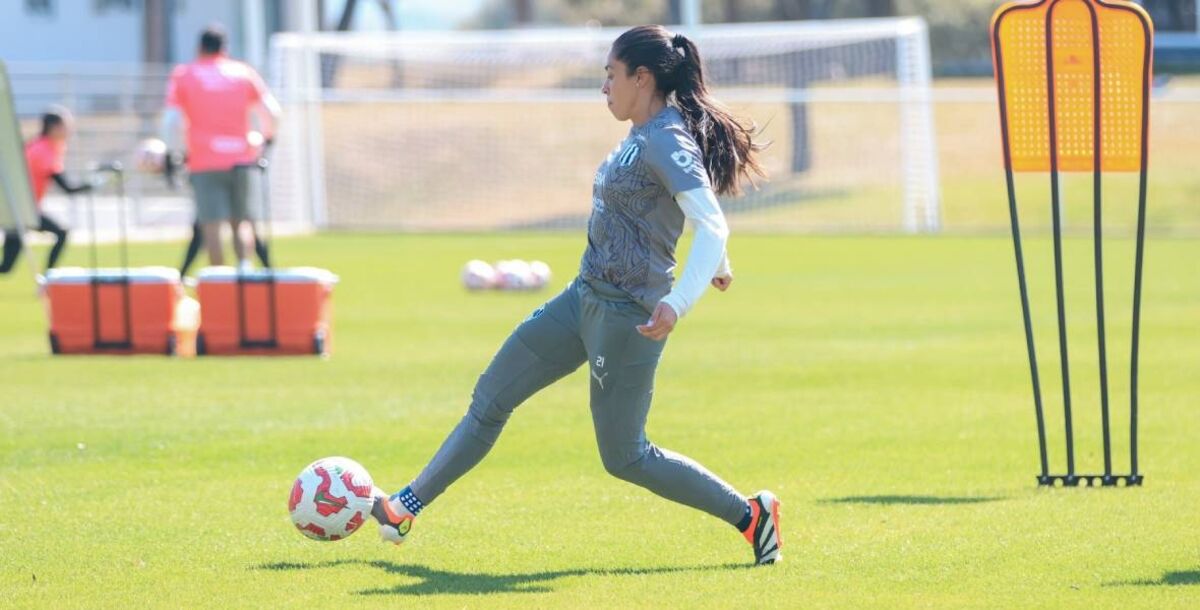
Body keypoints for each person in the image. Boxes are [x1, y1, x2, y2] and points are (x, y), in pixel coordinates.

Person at [370, 25, 781, 565]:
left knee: (625, 456)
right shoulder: (642, 131)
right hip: (581, 298)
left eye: (611, 75)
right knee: (491, 398)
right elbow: (690, 215)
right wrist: (719, 266)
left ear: (642, 77)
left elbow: (713, 224)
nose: (604, 87)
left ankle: (751, 516)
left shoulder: (666, 137)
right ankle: (406, 506)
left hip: (627, 318)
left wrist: (680, 300)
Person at [161, 24, 279, 270]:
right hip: (242, 159)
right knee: (242, 223)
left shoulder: (185, 74)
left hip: (205, 160)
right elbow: (272, 113)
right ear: (225, 48)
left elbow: (171, 121)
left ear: (200, 47)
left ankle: (220, 284)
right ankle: (244, 272)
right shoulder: (243, 73)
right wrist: (267, 141)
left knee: (211, 226)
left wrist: (174, 154)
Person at [1, 107, 90, 275]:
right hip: (21, 210)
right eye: (66, 125)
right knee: (61, 233)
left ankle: (48, 280)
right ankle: (49, 280)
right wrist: (93, 184)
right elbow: (67, 188)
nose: (70, 130)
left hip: (22, 209)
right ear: (54, 127)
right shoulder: (43, 150)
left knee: (6, 267)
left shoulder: (41, 145)